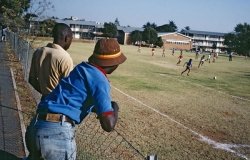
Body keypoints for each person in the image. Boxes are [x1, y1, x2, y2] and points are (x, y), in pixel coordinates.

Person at [25, 38, 127, 160]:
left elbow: (75, 99)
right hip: (56, 133)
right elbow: (108, 124)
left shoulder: (81, 69)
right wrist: (114, 107)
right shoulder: (100, 79)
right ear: (114, 63)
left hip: (36, 125)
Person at [28, 23, 74, 100]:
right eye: (71, 39)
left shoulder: (38, 52)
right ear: (66, 38)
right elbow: (68, 89)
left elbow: (32, 80)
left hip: (43, 101)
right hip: (58, 104)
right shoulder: (65, 58)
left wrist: (45, 93)